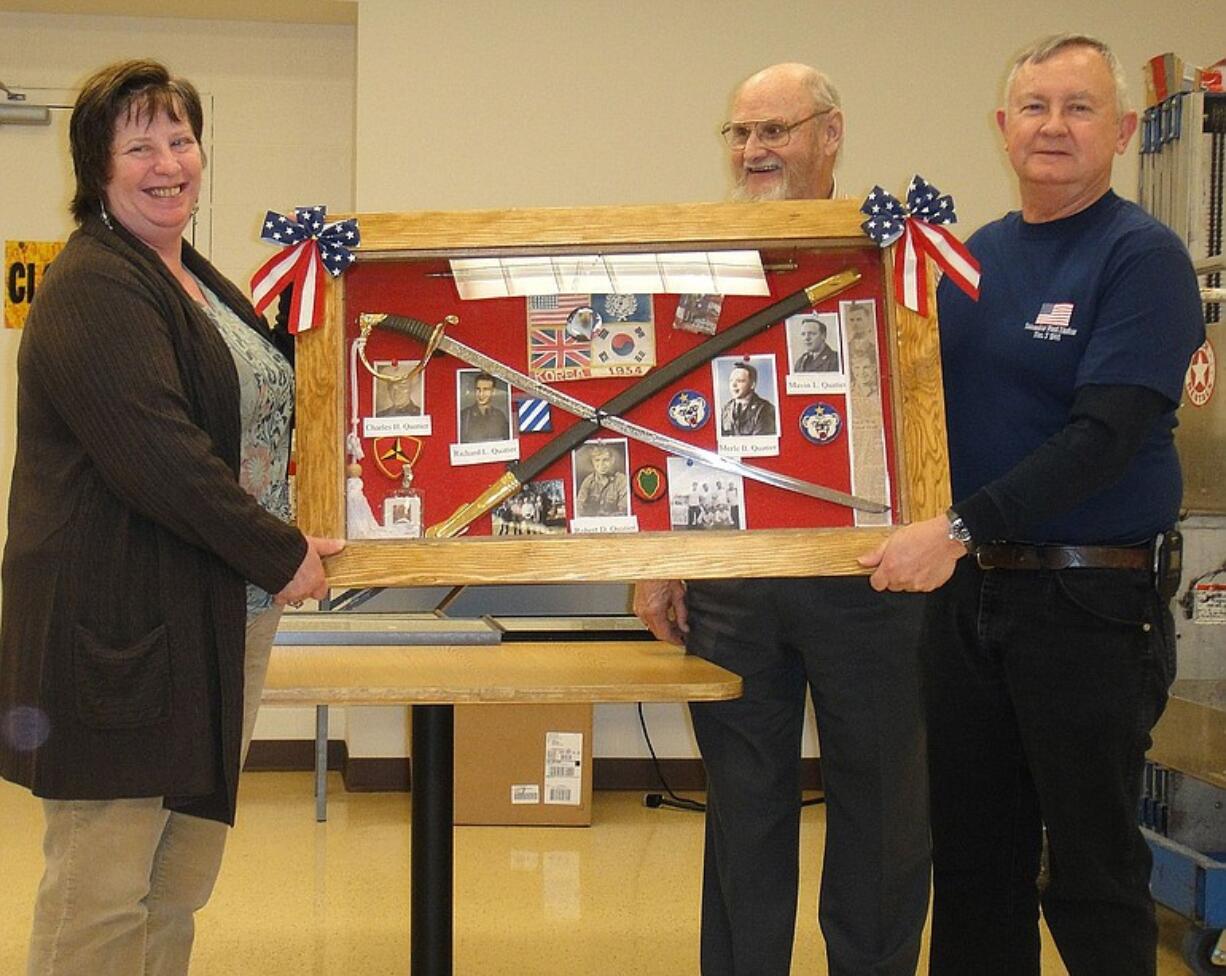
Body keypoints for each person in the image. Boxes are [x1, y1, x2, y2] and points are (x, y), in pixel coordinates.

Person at [860, 35, 1205, 976]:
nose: (1055, 126)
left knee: (1091, 872)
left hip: (1090, 607)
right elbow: (909, 413)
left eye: (1080, 107)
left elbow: (1105, 438)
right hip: (969, 605)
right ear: (1001, 127)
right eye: (1036, 107)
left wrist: (959, 529)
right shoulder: (968, 262)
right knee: (973, 867)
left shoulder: (1142, 258)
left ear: (1125, 129)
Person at [0, 59, 344, 975]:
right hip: (117, 631)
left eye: (181, 138)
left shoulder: (192, 273)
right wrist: (280, 552)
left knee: (176, 882)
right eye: (139, 143)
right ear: (96, 168)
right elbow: (160, 456)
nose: (167, 161)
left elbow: (264, 410)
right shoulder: (93, 285)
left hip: (211, 618)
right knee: (102, 891)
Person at [635, 62, 929, 976]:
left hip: (868, 580)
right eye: (741, 133)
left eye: (776, 130)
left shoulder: (893, 249)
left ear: (830, 134)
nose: (754, 150)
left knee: (881, 811)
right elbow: (658, 406)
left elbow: (925, 406)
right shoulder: (699, 253)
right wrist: (659, 555)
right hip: (734, 581)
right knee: (744, 812)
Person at [718, 361, 777, 436]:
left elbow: (763, 442)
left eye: (739, 381)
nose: (733, 385)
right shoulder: (725, 409)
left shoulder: (765, 409)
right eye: (731, 381)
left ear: (752, 385)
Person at [575, 442, 629, 517]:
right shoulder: (588, 481)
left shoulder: (622, 480)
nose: (601, 465)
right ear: (592, 462)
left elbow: (624, 510)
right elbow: (578, 508)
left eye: (605, 460)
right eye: (597, 460)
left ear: (612, 461)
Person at [458, 371, 509, 442]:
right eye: (478, 389)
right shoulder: (464, 415)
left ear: (493, 392)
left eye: (486, 389)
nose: (481, 394)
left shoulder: (500, 416)